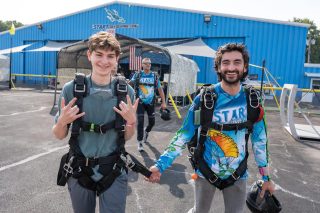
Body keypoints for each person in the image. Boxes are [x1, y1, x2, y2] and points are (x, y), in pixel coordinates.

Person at [147, 43, 275, 213]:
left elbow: (260, 141)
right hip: (205, 172)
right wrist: (161, 165)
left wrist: (266, 178)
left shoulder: (252, 101)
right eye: (226, 62)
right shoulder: (204, 99)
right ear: (218, 67)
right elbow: (185, 133)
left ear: (244, 67)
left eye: (237, 62)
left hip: (238, 174)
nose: (231, 67)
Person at [52, 31, 139, 213]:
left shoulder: (126, 92)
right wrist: (61, 122)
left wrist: (131, 122)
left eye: (110, 56)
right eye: (99, 54)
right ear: (89, 55)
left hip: (113, 169)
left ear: (117, 59)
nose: (104, 61)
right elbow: (60, 135)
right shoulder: (72, 90)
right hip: (79, 170)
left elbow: (127, 136)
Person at [129, 58, 166, 152]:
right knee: (140, 121)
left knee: (152, 122)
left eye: (149, 64)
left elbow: (160, 89)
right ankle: (140, 141)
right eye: (146, 64)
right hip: (140, 102)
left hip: (150, 102)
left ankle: (147, 131)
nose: (148, 65)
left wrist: (163, 102)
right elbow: (129, 84)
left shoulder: (154, 76)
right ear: (142, 65)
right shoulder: (138, 75)